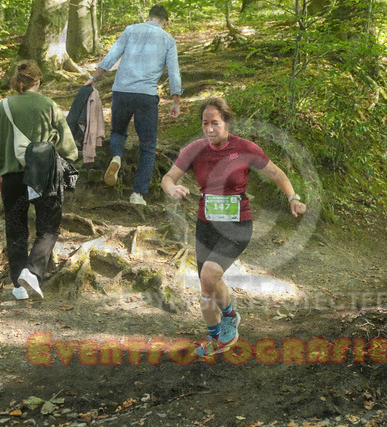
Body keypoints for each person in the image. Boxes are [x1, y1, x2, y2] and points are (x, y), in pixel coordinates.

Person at [161, 97, 307, 356]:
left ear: (226, 122)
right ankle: (217, 333)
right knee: (207, 284)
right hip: (206, 225)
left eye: (215, 123)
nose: (209, 129)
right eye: (205, 123)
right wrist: (172, 188)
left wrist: (293, 198)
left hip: (237, 225)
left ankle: (226, 321)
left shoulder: (244, 148)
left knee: (209, 274)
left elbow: (276, 173)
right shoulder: (195, 149)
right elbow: (169, 177)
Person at [0, 61, 78, 300]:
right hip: (43, 176)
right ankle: (33, 271)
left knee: (15, 229)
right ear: (38, 80)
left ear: (17, 80)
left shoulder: (4, 106)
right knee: (48, 228)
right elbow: (69, 148)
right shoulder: (49, 105)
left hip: (12, 177)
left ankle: (18, 286)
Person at [87, 4, 182, 206]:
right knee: (148, 146)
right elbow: (174, 72)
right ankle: (137, 193)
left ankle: (117, 157)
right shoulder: (168, 40)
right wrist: (176, 101)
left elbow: (112, 56)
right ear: (165, 23)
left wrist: (94, 78)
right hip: (146, 96)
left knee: (118, 131)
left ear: (148, 18)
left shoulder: (130, 30)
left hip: (121, 92)